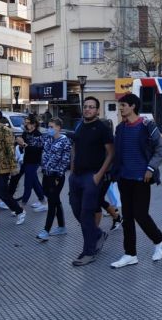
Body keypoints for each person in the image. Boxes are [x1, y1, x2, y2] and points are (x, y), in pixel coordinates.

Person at [109, 93, 162, 269]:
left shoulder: (147, 125)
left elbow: (161, 149)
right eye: (120, 106)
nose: (120, 108)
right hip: (124, 178)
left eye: (123, 105)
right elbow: (117, 153)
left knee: (140, 214)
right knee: (127, 218)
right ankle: (130, 254)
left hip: (142, 178)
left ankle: (160, 240)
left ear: (133, 106)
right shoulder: (120, 128)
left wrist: (151, 169)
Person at [69, 96, 114, 267]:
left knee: (86, 213)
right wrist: (72, 170)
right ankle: (97, 235)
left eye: (91, 107)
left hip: (92, 177)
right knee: (76, 210)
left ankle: (88, 252)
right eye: (86, 106)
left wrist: (99, 175)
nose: (88, 109)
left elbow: (111, 152)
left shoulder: (102, 128)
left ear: (97, 110)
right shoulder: (80, 125)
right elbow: (75, 146)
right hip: (76, 176)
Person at [36, 118, 71, 242]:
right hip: (46, 174)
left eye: (51, 126)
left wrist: (58, 175)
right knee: (55, 200)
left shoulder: (65, 141)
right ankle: (61, 227)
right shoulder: (47, 138)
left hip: (56, 176)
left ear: (58, 128)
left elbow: (65, 160)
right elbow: (35, 142)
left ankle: (46, 230)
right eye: (48, 126)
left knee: (52, 202)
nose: (49, 129)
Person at [0, 113, 25, 226]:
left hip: (2, 166)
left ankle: (19, 211)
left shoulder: (6, 130)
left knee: (1, 192)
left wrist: (13, 167)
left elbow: (10, 150)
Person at [15, 114, 46, 210]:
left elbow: (37, 150)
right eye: (25, 123)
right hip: (25, 161)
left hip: (34, 162)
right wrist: (19, 143)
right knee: (34, 182)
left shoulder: (38, 135)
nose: (25, 125)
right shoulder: (25, 133)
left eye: (28, 123)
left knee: (28, 183)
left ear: (34, 124)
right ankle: (43, 200)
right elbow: (23, 147)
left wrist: (23, 144)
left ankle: (22, 206)